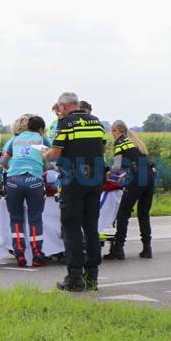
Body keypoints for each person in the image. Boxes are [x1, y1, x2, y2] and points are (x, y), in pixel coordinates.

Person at [43, 92, 107, 291]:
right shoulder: (96, 122)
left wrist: (44, 153)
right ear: (77, 104)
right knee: (91, 226)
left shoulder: (65, 123)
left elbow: (55, 154)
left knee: (71, 227)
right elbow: (103, 149)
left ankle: (74, 277)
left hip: (74, 179)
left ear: (62, 107)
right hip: (95, 178)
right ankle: (92, 276)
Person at [1, 116, 50, 267]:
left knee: (16, 219)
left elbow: (3, 161)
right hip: (33, 181)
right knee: (35, 218)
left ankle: (19, 253)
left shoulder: (15, 140)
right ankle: (37, 255)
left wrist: (13, 171)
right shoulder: (41, 139)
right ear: (41, 130)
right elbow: (49, 160)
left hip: (14, 180)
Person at [103, 120, 155, 260]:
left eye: (112, 132)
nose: (112, 135)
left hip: (137, 179)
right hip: (149, 176)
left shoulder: (120, 143)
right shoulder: (135, 142)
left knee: (123, 214)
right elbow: (138, 163)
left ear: (117, 131)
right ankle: (147, 248)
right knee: (143, 214)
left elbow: (117, 166)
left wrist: (107, 171)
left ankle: (118, 249)